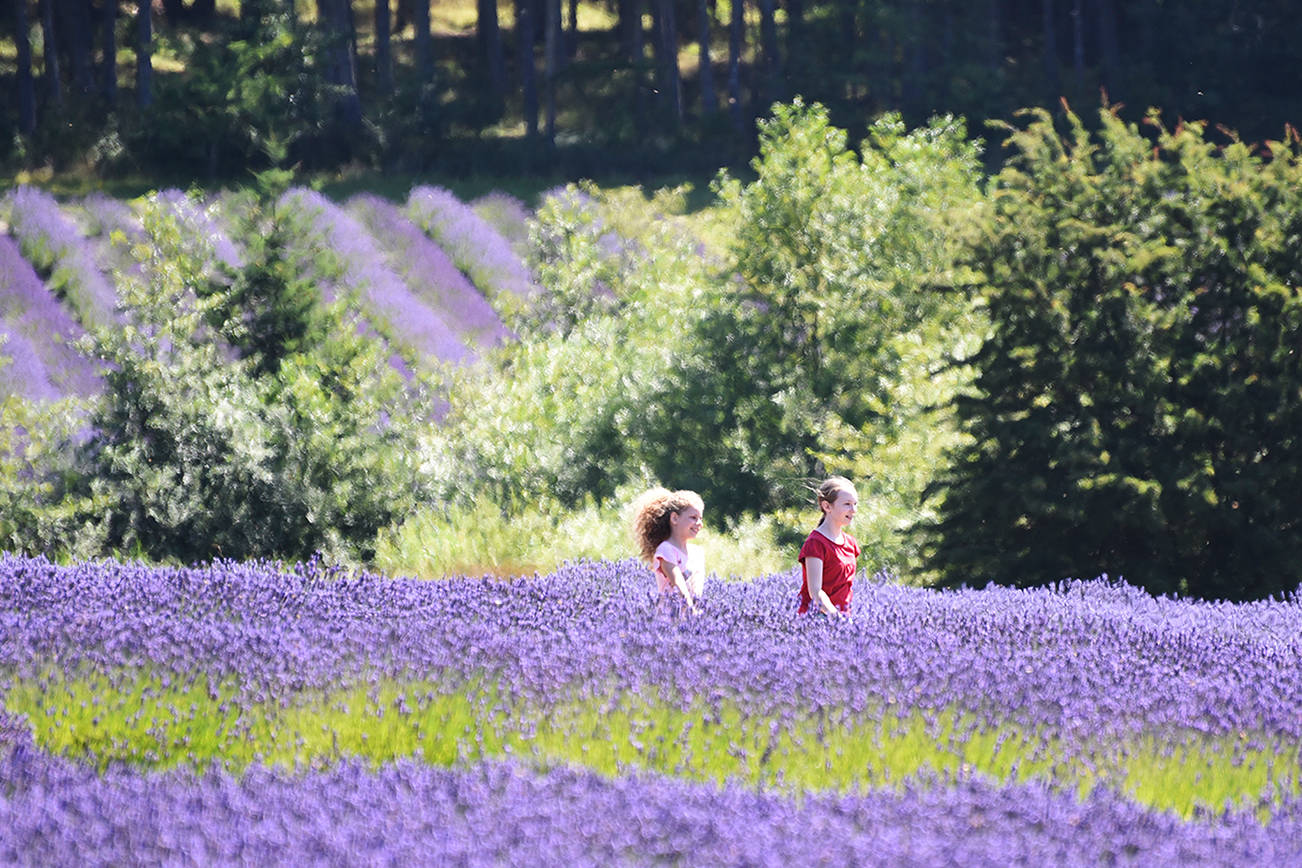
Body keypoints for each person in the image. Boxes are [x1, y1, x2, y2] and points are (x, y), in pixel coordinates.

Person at [632, 487, 705, 614]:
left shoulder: (697, 553)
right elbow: (678, 583)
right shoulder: (666, 550)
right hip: (669, 620)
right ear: (675, 518)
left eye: (701, 518)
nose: (699, 523)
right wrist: (691, 610)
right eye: (693, 517)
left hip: (691, 620)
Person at [797, 476, 860, 617]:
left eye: (855, 504)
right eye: (847, 504)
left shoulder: (850, 544)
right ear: (827, 506)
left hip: (843, 618)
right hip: (816, 618)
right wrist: (835, 617)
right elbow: (815, 592)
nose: (854, 510)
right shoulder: (816, 544)